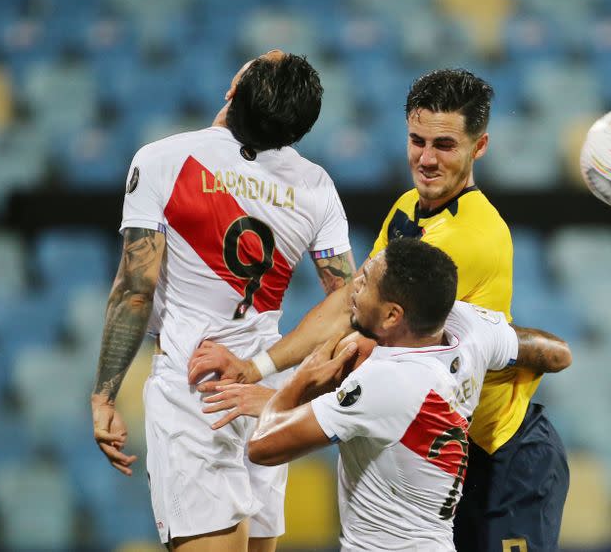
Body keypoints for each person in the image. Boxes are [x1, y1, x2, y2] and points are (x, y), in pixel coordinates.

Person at [190, 68, 571, 551]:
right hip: (445, 454)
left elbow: (356, 326)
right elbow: (353, 299)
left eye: (445, 145)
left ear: (480, 147)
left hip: (504, 454)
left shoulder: (471, 239)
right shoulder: (409, 206)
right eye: (417, 140)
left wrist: (271, 385)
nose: (426, 159)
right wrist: (257, 367)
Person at [90, 49, 356, 552]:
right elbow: (346, 303)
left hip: (195, 393)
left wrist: (103, 395)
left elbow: (134, 290)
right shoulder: (317, 187)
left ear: (234, 90)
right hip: (261, 393)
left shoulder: (163, 160)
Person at [243, 238, 571, 551]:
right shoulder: (466, 328)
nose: (354, 286)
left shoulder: (387, 382)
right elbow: (557, 354)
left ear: (392, 315)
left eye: (366, 282)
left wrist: (301, 379)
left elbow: (262, 446)